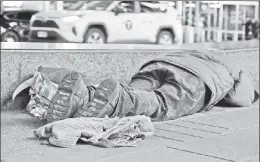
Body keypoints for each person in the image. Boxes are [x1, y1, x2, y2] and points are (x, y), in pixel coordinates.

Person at [14, 50, 258, 123]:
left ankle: (83, 95)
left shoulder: (196, 52)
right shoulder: (232, 66)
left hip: (157, 64)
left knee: (133, 92)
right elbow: (242, 97)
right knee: (160, 103)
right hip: (199, 79)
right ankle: (116, 102)